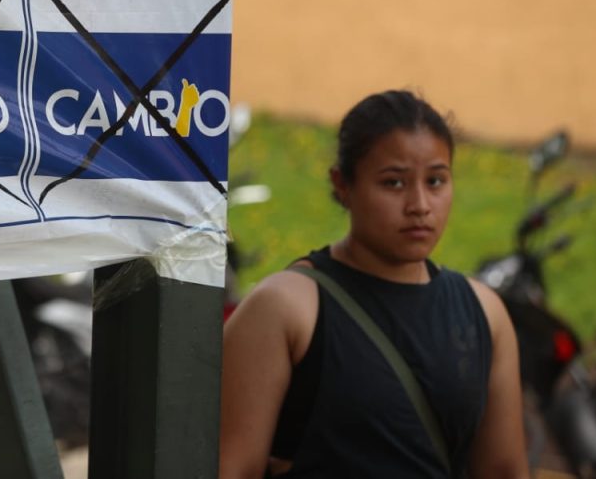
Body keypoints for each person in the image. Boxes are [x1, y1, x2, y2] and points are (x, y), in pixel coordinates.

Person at [219, 90, 528, 479]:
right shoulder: (286, 308)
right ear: (343, 185)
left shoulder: (484, 313)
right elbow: (231, 469)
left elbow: (503, 470)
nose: (420, 204)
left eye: (435, 181)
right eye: (394, 183)